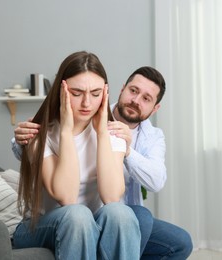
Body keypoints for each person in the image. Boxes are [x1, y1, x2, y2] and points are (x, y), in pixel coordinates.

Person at [12, 66, 193, 259]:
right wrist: (22, 142)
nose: (136, 100)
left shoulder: (127, 134)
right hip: (56, 219)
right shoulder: (47, 132)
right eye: (133, 91)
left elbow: (137, 188)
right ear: (122, 89)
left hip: (108, 214)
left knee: (133, 217)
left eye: (146, 98)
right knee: (80, 216)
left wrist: (124, 148)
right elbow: (65, 196)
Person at [12, 51, 141, 260]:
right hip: (41, 226)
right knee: (77, 215)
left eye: (96, 93)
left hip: (89, 221)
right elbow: (67, 197)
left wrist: (101, 134)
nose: (87, 103)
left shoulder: (112, 132)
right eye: (77, 92)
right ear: (61, 91)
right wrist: (66, 132)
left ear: (105, 94)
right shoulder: (40, 134)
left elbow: (111, 197)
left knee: (121, 214)